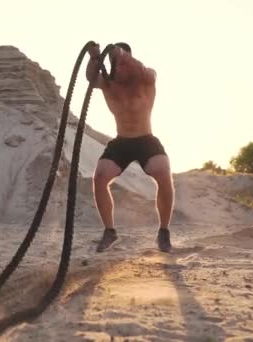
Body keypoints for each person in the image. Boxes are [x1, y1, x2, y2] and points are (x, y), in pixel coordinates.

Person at [86, 42, 174, 253]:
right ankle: (110, 231)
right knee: (99, 178)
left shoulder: (145, 77)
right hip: (121, 141)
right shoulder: (108, 83)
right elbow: (90, 77)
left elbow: (147, 72)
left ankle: (163, 232)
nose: (122, 67)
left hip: (146, 139)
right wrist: (94, 57)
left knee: (162, 172)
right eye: (117, 63)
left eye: (125, 61)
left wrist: (121, 54)